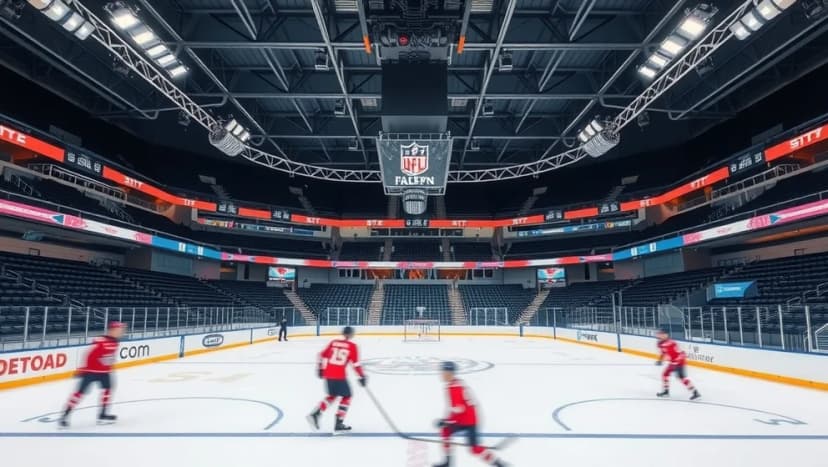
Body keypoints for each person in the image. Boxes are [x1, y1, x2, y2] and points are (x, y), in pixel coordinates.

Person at [433, 361, 507, 467]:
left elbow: (459, 409)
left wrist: (446, 422)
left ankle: (500, 464)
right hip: (470, 418)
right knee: (447, 431)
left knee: (474, 448)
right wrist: (446, 421)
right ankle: (448, 462)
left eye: (443, 372)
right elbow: (458, 408)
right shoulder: (457, 383)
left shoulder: (454, 388)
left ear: (449, 373)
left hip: (466, 420)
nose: (441, 374)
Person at [59, 321, 126, 428]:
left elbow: (108, 356)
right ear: (112, 330)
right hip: (90, 372)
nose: (121, 332)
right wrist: (82, 369)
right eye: (119, 330)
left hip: (105, 372)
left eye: (122, 330)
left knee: (107, 390)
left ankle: (102, 415)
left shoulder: (115, 342)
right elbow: (89, 354)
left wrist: (109, 365)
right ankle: (64, 416)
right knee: (79, 393)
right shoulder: (100, 340)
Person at [306, 326, 366, 434]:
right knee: (347, 396)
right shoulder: (352, 346)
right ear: (351, 334)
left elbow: (321, 355)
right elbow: (356, 364)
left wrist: (320, 368)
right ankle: (338, 422)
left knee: (332, 395)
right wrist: (362, 376)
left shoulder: (334, 342)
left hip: (328, 374)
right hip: (339, 375)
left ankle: (316, 413)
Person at [655, 328, 700, 400]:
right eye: (659, 334)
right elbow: (663, 352)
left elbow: (682, 354)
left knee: (681, 377)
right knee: (665, 374)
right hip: (672, 362)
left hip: (679, 362)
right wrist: (660, 360)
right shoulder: (660, 344)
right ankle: (666, 392)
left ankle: (695, 392)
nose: (659, 335)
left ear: (666, 335)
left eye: (661, 334)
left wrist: (676, 362)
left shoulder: (672, 343)